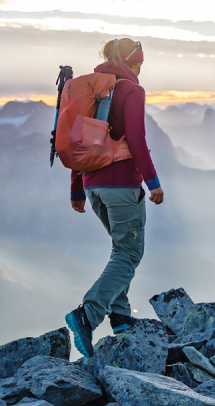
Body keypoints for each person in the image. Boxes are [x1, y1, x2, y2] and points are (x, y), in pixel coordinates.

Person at [65, 38, 164, 358]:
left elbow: (81, 139)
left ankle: (121, 318)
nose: (141, 69)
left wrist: (77, 186)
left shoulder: (95, 89)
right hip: (122, 185)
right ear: (132, 62)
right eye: (140, 63)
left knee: (121, 249)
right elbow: (136, 137)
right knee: (129, 253)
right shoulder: (131, 91)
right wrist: (153, 182)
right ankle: (88, 315)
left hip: (94, 186)